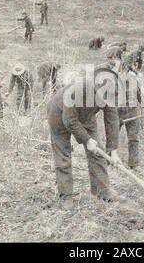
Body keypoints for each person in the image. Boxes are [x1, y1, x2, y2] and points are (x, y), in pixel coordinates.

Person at [47, 68, 121, 209]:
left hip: (86, 116)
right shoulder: (76, 91)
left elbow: (112, 119)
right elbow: (69, 120)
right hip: (59, 114)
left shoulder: (111, 91)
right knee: (63, 155)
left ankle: (102, 191)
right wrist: (86, 139)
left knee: (98, 152)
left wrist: (113, 150)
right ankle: (66, 197)